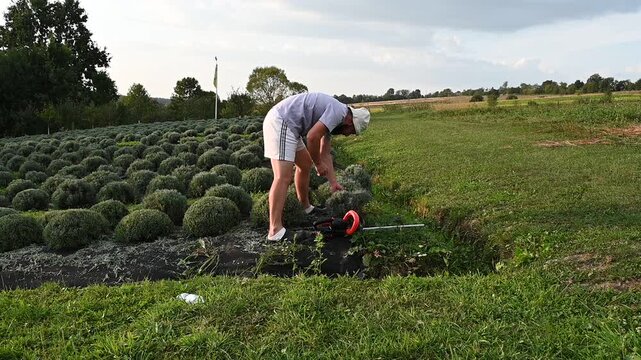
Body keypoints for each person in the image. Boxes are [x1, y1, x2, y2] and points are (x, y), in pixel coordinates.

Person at [262, 92, 370, 241]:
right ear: (350, 121)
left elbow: (325, 154)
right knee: (283, 176)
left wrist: (333, 182)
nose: (347, 135)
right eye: (351, 131)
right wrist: (318, 164)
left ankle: (306, 207)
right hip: (281, 121)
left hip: (292, 127)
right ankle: (275, 230)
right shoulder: (338, 113)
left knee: (305, 164)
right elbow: (312, 137)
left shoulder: (336, 118)